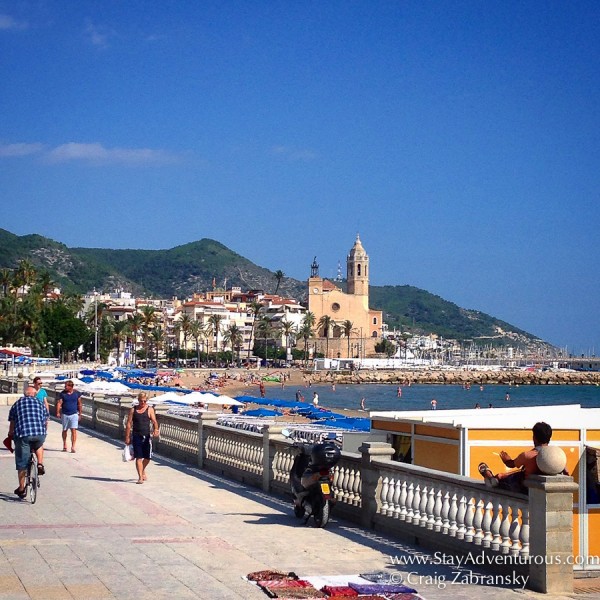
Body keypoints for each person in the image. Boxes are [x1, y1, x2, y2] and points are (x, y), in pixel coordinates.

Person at [478, 421, 567, 493]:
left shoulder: (528, 455)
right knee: (504, 475)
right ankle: (490, 475)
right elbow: (566, 472)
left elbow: (511, 464)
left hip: (525, 489)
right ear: (549, 438)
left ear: (534, 437)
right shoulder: (556, 456)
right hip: (544, 489)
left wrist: (505, 459)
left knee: (499, 477)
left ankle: (487, 474)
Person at [7, 386, 48, 498]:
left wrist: (10, 434)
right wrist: (43, 432)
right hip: (39, 433)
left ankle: (21, 489)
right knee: (39, 444)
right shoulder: (40, 404)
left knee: (22, 463)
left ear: (25, 394)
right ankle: (40, 464)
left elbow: (12, 421)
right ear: (34, 394)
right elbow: (46, 419)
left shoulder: (17, 404)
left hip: (23, 434)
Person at [124, 392, 160, 484]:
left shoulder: (149, 409)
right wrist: (127, 437)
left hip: (147, 437)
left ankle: (142, 469)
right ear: (138, 400)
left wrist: (156, 429)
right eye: (141, 401)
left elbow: (154, 421)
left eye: (144, 401)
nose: (143, 403)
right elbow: (128, 424)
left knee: (147, 457)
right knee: (138, 457)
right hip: (136, 436)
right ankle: (140, 477)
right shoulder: (133, 410)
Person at [56, 380, 82, 453]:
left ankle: (73, 446)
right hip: (65, 414)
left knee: (74, 430)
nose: (65, 387)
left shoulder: (77, 393)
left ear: (71, 387)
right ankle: (64, 444)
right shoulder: (62, 394)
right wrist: (58, 412)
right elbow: (59, 403)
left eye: (66, 386)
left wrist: (80, 414)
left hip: (74, 414)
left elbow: (79, 404)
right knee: (65, 430)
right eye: (65, 386)